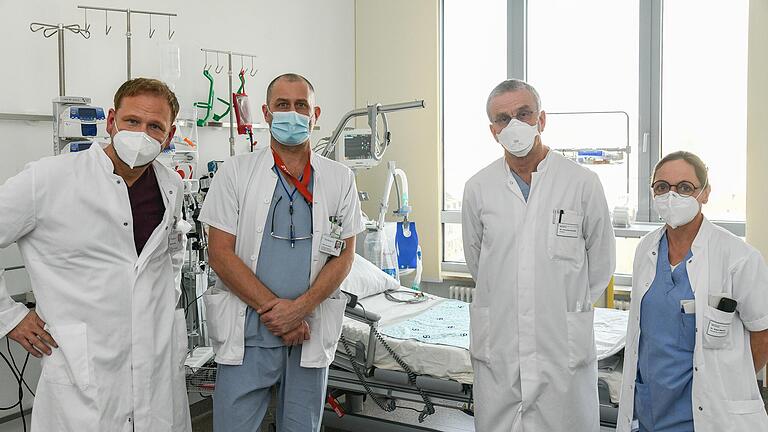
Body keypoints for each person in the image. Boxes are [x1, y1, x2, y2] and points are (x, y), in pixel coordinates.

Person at [0, 78, 191, 432]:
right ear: (111, 121)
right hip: (83, 368)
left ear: (169, 135)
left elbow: (169, 254)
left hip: (155, 361)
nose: (141, 133)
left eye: (155, 127)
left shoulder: (171, 184)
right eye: (132, 121)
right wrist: (8, 317)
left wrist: (168, 297)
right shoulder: (48, 179)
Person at [200, 73, 364, 432]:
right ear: (267, 112)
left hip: (309, 328)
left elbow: (345, 256)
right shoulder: (236, 172)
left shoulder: (339, 179)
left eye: (301, 105)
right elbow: (220, 253)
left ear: (315, 114)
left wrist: (299, 311)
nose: (293, 113)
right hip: (250, 331)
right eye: (282, 105)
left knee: (302, 426)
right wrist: (279, 315)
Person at [461, 79, 616, 432]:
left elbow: (602, 262)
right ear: (492, 131)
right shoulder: (478, 188)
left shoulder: (581, 182)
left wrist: (561, 302)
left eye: (523, 113)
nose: (513, 125)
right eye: (502, 118)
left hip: (561, 340)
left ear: (541, 120)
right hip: (500, 340)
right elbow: (478, 262)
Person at [617, 151, 768, 432]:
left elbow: (763, 333)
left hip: (710, 415)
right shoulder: (646, 249)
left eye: (685, 188)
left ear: (705, 193)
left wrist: (732, 378)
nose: (672, 196)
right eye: (662, 187)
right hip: (650, 410)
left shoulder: (738, 257)